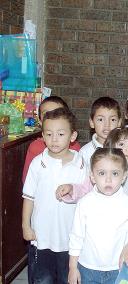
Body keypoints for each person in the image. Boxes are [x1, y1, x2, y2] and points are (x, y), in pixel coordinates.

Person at [22, 108, 87, 283]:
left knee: (68, 278)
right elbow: (29, 197)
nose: (54, 139)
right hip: (42, 236)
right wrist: (25, 226)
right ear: (42, 136)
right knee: (42, 279)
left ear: (72, 136)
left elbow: (86, 196)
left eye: (60, 134)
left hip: (70, 236)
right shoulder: (38, 163)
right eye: (49, 134)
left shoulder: (80, 162)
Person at [67, 148, 128, 284]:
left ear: (124, 176)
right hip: (87, 268)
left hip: (117, 267)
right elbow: (76, 236)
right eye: (101, 173)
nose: (108, 179)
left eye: (115, 173)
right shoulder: (85, 203)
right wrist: (73, 267)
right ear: (92, 176)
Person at [56, 128, 128, 203]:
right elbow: (84, 190)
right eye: (121, 144)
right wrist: (71, 189)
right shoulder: (101, 171)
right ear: (110, 147)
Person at [22, 96, 81, 183]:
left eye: (58, 113)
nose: (53, 119)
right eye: (47, 114)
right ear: (40, 122)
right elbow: (28, 181)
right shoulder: (35, 147)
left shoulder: (75, 147)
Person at [80, 97, 122, 169]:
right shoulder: (85, 152)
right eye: (100, 119)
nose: (107, 125)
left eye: (112, 119)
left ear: (119, 123)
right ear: (92, 122)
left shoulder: (124, 148)